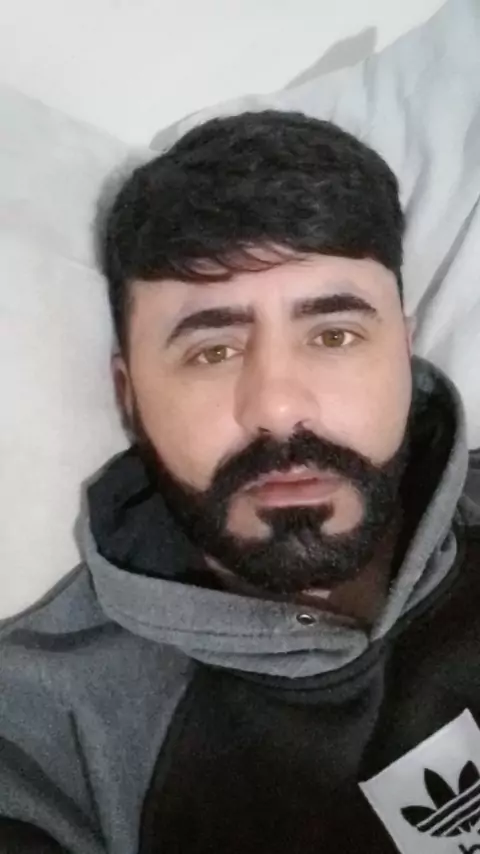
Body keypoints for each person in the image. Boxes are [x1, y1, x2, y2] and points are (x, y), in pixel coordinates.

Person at [1, 110, 480, 854]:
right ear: (129, 397)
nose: (278, 408)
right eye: (212, 351)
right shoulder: (43, 737)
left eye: (334, 335)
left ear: (404, 355)